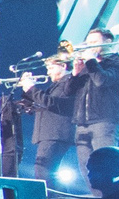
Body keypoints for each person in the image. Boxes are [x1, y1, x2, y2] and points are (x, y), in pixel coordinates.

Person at [67, 28, 119, 165]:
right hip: (82, 122)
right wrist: (75, 73)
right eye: (88, 42)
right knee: (86, 167)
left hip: (105, 120)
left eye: (94, 42)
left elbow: (101, 81)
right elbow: (69, 92)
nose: (90, 45)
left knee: (105, 164)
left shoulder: (118, 64)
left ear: (108, 42)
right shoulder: (88, 66)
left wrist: (91, 61)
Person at [22, 55, 78, 188]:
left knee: (44, 171)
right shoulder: (55, 85)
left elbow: (51, 102)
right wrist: (27, 92)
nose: (48, 72)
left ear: (63, 66)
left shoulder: (69, 82)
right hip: (48, 133)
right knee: (44, 171)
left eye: (51, 67)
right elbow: (39, 103)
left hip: (56, 133)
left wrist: (31, 88)